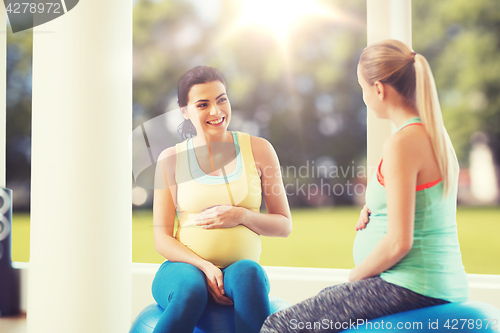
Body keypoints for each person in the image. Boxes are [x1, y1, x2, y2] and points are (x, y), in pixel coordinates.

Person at [260, 39, 469, 333]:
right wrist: (376, 209)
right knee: (322, 302)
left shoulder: (403, 143)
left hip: (410, 285)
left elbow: (400, 242)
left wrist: (355, 275)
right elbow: (423, 204)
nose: (364, 97)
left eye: (363, 88)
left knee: (278, 325)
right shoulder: (435, 134)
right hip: (435, 281)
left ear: (379, 89)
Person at [151, 65, 292, 333]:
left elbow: (284, 225)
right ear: (184, 110)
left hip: (239, 269)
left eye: (222, 99)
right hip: (184, 269)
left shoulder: (260, 150)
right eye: (203, 104)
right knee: (192, 291)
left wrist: (241, 216)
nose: (216, 111)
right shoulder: (171, 159)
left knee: (249, 275)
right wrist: (205, 268)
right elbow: (163, 238)